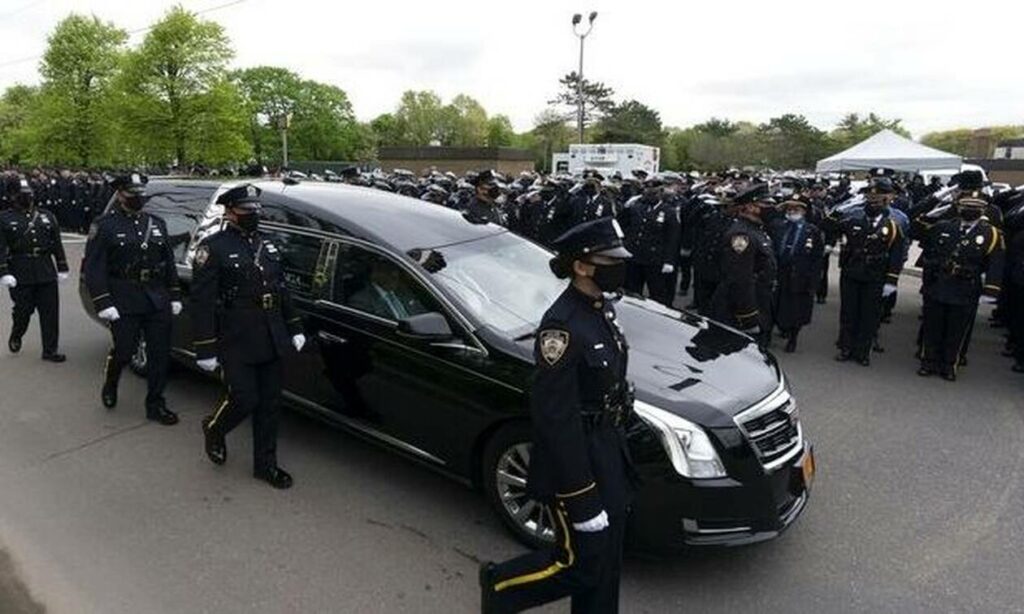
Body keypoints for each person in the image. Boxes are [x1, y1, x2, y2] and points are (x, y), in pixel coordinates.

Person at [480, 217, 637, 614]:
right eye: (609, 260)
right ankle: (500, 587)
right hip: (577, 461)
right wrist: (581, 499)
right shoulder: (562, 327)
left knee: (607, 558)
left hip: (606, 447)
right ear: (582, 266)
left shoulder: (599, 309)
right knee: (578, 564)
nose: (618, 266)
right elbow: (554, 417)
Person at [191, 184, 306, 489]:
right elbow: (201, 301)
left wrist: (293, 326)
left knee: (270, 404)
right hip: (236, 335)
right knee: (244, 398)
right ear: (230, 212)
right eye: (246, 211)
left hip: (270, 333)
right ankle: (215, 429)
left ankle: (265, 465)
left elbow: (281, 288)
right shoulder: (212, 247)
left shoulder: (266, 245)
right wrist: (205, 348)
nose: (252, 215)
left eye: (255, 210)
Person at [83, 173, 181, 424]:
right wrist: (103, 302)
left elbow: (167, 261)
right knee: (124, 351)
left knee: (160, 354)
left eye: (140, 193)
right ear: (120, 194)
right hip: (123, 298)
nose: (138, 198)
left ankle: (155, 403)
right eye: (132, 194)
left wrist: (174, 294)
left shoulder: (156, 223)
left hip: (155, 297)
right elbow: (94, 268)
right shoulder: (104, 225)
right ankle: (111, 382)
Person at [917, 188, 1004, 380]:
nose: (970, 210)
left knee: (957, 330)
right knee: (933, 326)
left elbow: (996, 263)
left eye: (976, 207)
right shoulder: (943, 227)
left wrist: (991, 290)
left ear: (983, 210)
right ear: (958, 207)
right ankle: (928, 361)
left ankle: (949, 364)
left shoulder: (991, 234)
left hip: (966, 288)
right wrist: (936, 205)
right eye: (966, 206)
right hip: (938, 285)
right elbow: (918, 228)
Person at [827, 177, 907, 366]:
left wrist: (891, 281)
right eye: (869, 200)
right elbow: (828, 225)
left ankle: (862, 352)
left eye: (877, 200)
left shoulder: (893, 226)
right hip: (852, 272)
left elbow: (897, 255)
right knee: (849, 313)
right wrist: (842, 208)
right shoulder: (853, 219)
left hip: (875, 275)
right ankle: (846, 348)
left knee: (869, 315)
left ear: (885, 201)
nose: (873, 204)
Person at [0, 176, 69, 361]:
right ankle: (17, 333)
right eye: (22, 195)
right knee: (23, 311)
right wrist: (4, 272)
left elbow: (57, 244)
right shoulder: (4, 219)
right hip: (20, 272)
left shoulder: (47, 216)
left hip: (46, 269)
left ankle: (50, 350)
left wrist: (62, 266)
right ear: (12, 196)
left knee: (50, 313)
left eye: (29, 194)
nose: (27, 198)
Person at [711, 183, 778, 347]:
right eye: (765, 204)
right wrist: (748, 317)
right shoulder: (742, 235)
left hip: (759, 298)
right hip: (740, 308)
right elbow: (739, 279)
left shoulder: (757, 230)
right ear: (750, 207)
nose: (771, 208)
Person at [770, 195, 825, 353]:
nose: (792, 210)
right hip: (779, 271)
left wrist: (814, 282)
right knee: (773, 304)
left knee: (795, 309)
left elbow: (816, 259)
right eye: (789, 208)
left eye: (796, 208)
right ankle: (768, 333)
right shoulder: (777, 226)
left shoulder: (812, 231)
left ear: (804, 211)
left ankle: (793, 337)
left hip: (800, 275)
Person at [618, 175, 682, 308]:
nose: (651, 194)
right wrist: (626, 207)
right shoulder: (636, 208)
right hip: (634, 257)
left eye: (654, 192)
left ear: (661, 193)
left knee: (657, 294)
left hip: (655, 259)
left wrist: (669, 261)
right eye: (647, 191)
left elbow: (672, 238)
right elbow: (622, 225)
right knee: (632, 292)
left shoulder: (668, 211)